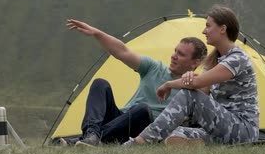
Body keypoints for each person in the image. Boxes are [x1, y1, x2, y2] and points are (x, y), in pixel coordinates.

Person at [123, 5, 259, 146]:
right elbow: (202, 90)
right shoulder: (214, 60)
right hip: (223, 128)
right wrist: (188, 78)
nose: (204, 31)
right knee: (173, 131)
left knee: (189, 96)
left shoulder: (237, 59)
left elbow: (197, 84)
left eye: (208, 26)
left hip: (243, 130)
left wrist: (169, 84)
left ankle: (141, 140)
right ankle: (196, 144)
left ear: (222, 29)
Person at [65, 19, 207, 146]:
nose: (173, 56)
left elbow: (207, 95)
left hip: (143, 129)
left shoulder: (194, 88)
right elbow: (122, 51)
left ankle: (85, 139)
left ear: (195, 63)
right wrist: (97, 33)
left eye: (181, 54)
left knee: (143, 110)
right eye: (175, 51)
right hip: (120, 119)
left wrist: (190, 82)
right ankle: (91, 135)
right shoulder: (154, 67)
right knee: (100, 84)